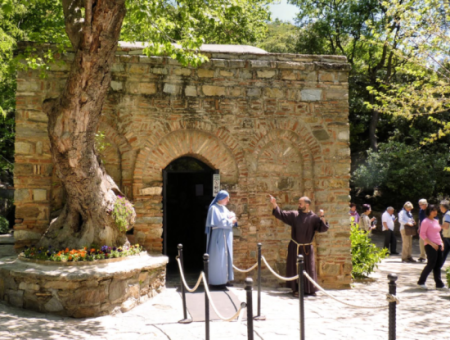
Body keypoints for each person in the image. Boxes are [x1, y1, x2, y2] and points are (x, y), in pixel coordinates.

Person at [270, 195, 328, 297]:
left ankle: (309, 289)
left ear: (307, 205)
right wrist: (274, 204)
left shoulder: (314, 217)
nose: (299, 205)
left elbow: (323, 228)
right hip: (295, 247)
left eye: (300, 203)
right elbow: (281, 214)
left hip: (307, 249)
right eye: (298, 203)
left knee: (309, 268)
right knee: (295, 268)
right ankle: (296, 289)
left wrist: (322, 216)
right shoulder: (294, 215)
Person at [205, 190, 237, 288]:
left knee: (226, 258)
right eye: (227, 198)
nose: (228, 200)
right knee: (218, 258)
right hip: (218, 238)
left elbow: (230, 219)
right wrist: (231, 221)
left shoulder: (225, 209)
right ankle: (216, 282)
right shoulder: (214, 209)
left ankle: (225, 280)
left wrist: (232, 219)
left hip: (226, 237)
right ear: (221, 198)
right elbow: (220, 223)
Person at [417, 205, 446, 289]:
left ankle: (439, 284)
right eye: (433, 210)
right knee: (431, 264)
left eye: (436, 210)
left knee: (438, 265)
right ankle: (421, 282)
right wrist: (432, 244)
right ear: (428, 211)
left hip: (439, 244)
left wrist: (441, 243)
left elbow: (438, 233)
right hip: (430, 245)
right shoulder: (425, 221)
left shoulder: (436, 221)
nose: (435, 212)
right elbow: (422, 234)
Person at [439, 200, 450, 266]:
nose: (440, 208)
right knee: (443, 252)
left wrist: (438, 226)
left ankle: (438, 266)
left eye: (440, 207)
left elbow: (446, 226)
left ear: (443, 207)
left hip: (448, 236)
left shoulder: (447, 215)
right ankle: (438, 266)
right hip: (447, 236)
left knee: (443, 252)